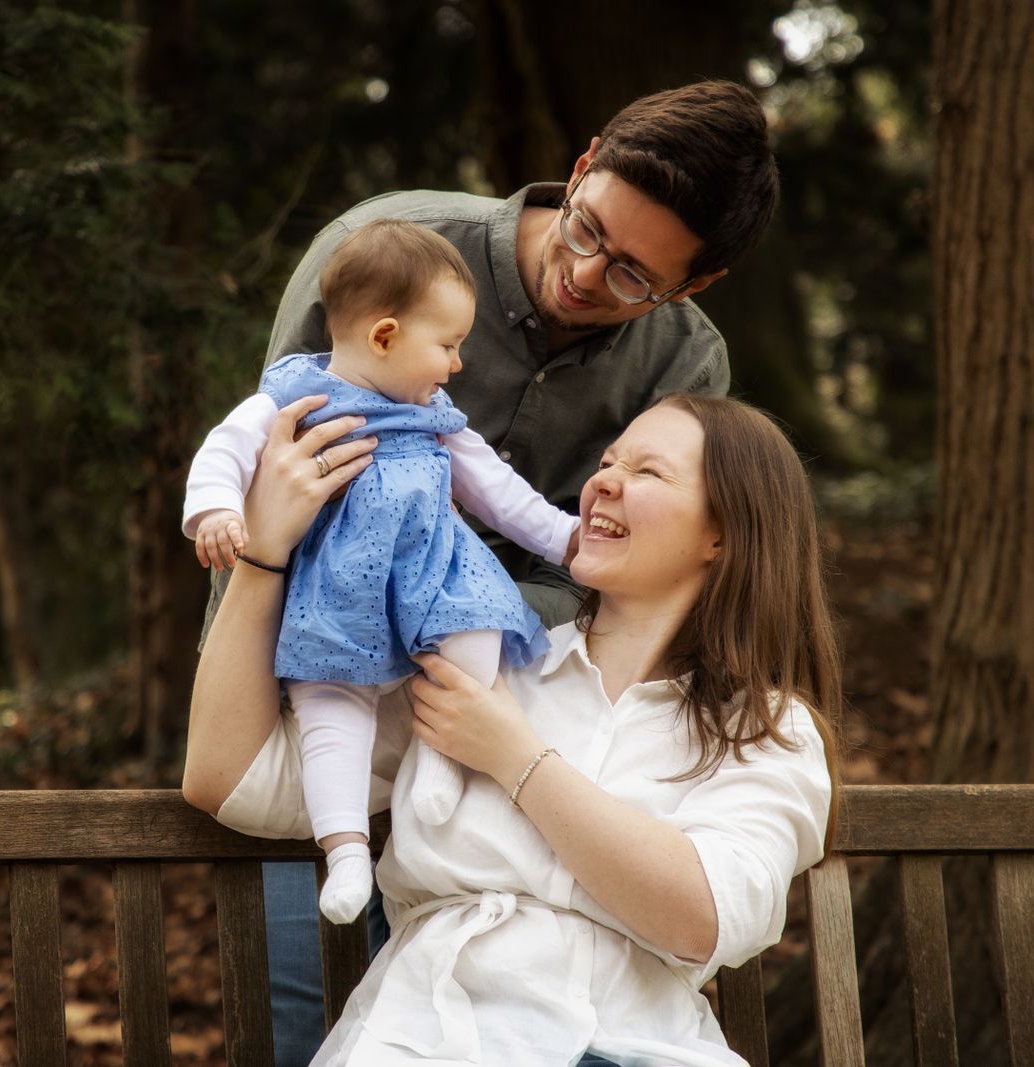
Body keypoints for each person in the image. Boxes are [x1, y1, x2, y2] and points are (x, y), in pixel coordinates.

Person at [206, 79, 783, 1066]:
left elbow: (626, 574)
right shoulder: (390, 248)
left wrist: (479, 657)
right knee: (304, 1021)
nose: (586, 273)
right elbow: (279, 488)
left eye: (636, 274)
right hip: (328, 688)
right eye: (588, 226)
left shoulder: (682, 364)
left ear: (697, 283)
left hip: (509, 732)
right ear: (583, 160)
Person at [184, 391, 842, 1066]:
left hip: (638, 1047)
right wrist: (264, 555)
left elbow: (702, 915)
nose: (604, 481)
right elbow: (229, 778)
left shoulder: (767, 731)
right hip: (430, 1042)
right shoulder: (477, 662)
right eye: (608, 461)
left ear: (724, 532)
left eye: (648, 472)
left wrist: (516, 757)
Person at [183, 219, 580, 924]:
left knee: (474, 638)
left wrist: (568, 538)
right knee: (330, 711)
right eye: (449, 345)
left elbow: (499, 492)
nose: (457, 364)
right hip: (339, 595)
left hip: (436, 582)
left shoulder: (435, 415)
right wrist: (215, 509)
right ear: (386, 336)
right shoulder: (293, 396)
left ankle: (442, 766)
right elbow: (224, 451)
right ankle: (343, 852)